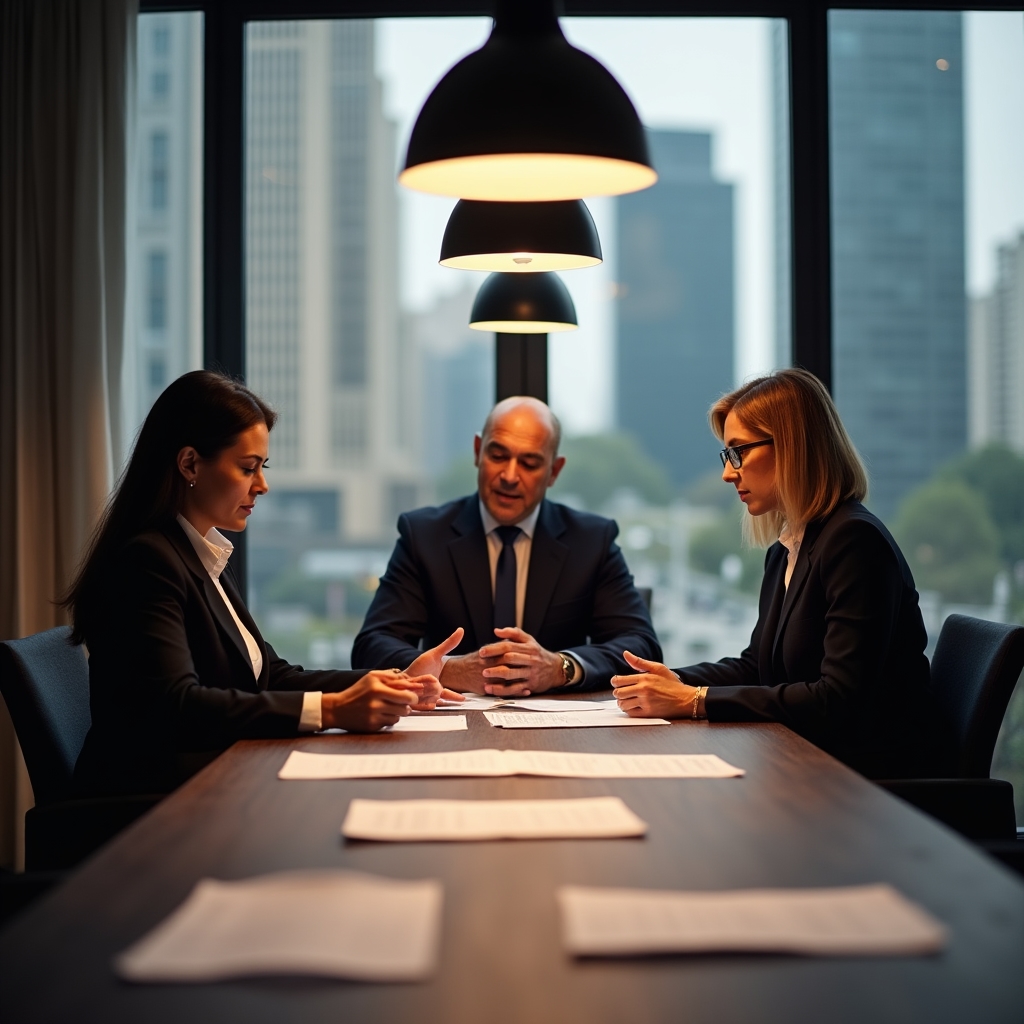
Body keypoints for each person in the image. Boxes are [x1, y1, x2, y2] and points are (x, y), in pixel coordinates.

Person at [66, 371, 462, 797]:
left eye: (262, 468)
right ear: (190, 464)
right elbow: (178, 707)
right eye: (247, 468)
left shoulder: (200, 554)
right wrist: (332, 710)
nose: (263, 485)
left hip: (207, 782)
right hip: (147, 809)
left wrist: (395, 680)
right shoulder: (148, 561)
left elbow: (268, 674)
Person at [611, 369, 943, 779]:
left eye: (738, 453)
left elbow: (837, 700)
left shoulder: (855, 541)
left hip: (874, 784)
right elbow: (757, 665)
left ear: (790, 447)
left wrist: (694, 700)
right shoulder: (788, 548)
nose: (728, 473)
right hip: (813, 764)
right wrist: (671, 681)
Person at [352, 396, 661, 695]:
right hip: (449, 726)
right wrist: (449, 669)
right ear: (477, 451)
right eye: (498, 456)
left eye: (529, 463)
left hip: (560, 731)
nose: (510, 476)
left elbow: (641, 646)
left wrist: (560, 667)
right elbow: (372, 646)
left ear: (554, 471)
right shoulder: (424, 535)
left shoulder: (592, 540)